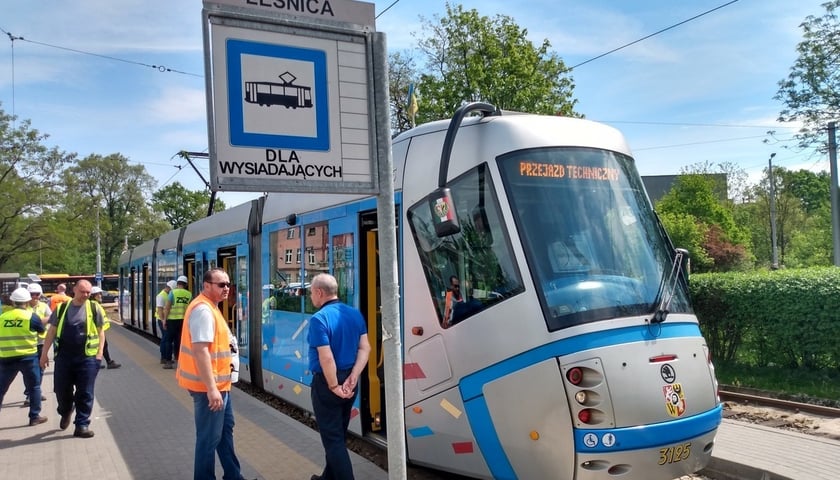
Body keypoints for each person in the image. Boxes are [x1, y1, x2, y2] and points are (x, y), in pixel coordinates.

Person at [176, 268, 251, 480]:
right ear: (207, 286)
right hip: (208, 389)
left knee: (225, 432)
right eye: (221, 284)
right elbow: (201, 351)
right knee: (208, 439)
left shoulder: (213, 307)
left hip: (221, 386)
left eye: (228, 284)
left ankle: (234, 476)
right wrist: (212, 389)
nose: (227, 288)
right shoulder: (203, 310)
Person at [307, 273, 371, 480]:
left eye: (311, 293)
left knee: (333, 439)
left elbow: (326, 358)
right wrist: (353, 376)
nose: (310, 298)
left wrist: (334, 386)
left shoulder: (319, 319)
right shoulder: (354, 314)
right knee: (338, 435)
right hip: (350, 381)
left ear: (319, 292)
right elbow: (365, 348)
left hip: (328, 383)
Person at [40, 279, 106, 438]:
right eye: (83, 291)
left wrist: (99, 355)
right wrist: (44, 354)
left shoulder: (94, 308)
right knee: (61, 390)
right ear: (74, 290)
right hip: (64, 357)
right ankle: (65, 410)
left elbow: (101, 332)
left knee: (85, 392)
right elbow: (51, 332)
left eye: (88, 292)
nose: (86, 295)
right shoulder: (62, 309)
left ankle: (82, 425)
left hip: (87, 358)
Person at [0, 287, 47, 426]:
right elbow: (42, 333)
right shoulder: (32, 317)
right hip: (28, 358)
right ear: (27, 302)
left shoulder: (2, 317)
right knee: (34, 387)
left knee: (1, 389)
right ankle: (34, 417)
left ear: (13, 302)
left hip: (6, 358)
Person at [23, 282, 51, 406]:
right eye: (32, 294)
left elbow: (51, 318)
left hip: (41, 342)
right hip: (27, 343)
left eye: (37, 294)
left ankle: (35, 391)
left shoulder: (44, 306)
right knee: (29, 371)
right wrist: (40, 322)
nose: (35, 296)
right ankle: (31, 393)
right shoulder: (23, 307)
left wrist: (36, 321)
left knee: (40, 369)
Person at [162, 275, 192, 369]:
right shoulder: (189, 294)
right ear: (186, 284)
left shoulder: (172, 293)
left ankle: (168, 362)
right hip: (183, 320)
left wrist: (164, 320)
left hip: (172, 320)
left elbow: (167, 307)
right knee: (179, 341)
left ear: (177, 283)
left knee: (168, 340)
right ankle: (179, 360)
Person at [90, 286, 121, 369]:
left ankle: (101, 362)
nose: (100, 296)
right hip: (96, 330)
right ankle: (106, 362)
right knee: (102, 345)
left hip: (98, 330)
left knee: (101, 346)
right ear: (93, 295)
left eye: (100, 294)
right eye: (98, 294)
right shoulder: (94, 305)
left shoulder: (94, 304)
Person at [156, 280, 175, 365]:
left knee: (165, 338)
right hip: (162, 320)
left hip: (165, 319)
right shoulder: (161, 296)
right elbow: (160, 310)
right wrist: (163, 320)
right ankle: (164, 357)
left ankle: (164, 357)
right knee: (166, 339)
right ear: (168, 288)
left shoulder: (168, 294)